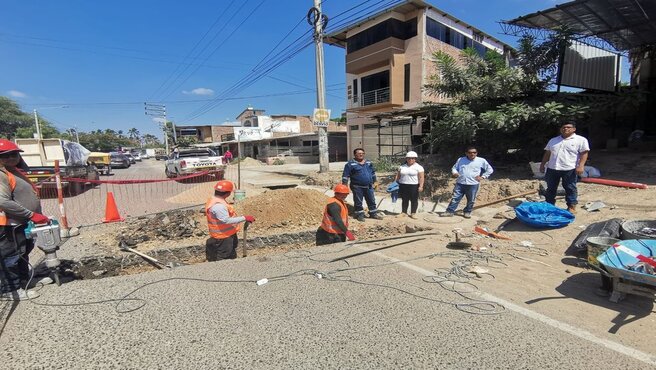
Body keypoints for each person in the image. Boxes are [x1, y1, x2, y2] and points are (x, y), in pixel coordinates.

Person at [0, 139, 52, 300]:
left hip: (20, 223)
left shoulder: (13, 171)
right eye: (5, 156)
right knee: (10, 256)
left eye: (14, 154)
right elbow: (3, 201)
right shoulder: (1, 174)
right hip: (9, 225)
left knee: (23, 252)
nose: (11, 158)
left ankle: (23, 280)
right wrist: (31, 215)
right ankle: (10, 290)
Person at [540, 121, 590, 214]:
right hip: (552, 168)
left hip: (569, 169)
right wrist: (543, 164)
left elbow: (584, 153)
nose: (565, 129)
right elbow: (548, 153)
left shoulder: (580, 140)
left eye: (568, 127)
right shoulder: (553, 140)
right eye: (563, 127)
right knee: (550, 188)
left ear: (574, 129)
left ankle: (571, 206)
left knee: (570, 187)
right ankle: (549, 205)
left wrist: (581, 166)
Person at [205, 180, 255, 261]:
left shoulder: (215, 199)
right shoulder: (218, 206)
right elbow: (226, 220)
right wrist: (244, 218)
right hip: (222, 237)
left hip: (228, 234)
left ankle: (232, 264)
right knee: (223, 256)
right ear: (228, 193)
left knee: (231, 252)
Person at [441, 146, 493, 219]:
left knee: (471, 200)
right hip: (460, 183)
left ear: (476, 153)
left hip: (473, 184)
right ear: (466, 153)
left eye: (474, 152)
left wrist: (483, 177)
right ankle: (449, 211)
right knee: (455, 198)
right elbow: (454, 168)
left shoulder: (481, 160)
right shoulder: (461, 160)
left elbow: (490, 170)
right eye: (470, 152)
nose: (472, 154)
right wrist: (455, 173)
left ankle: (467, 212)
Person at [342, 148, 383, 222]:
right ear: (355, 155)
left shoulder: (368, 163)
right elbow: (345, 176)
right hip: (357, 186)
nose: (361, 154)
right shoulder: (350, 164)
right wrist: (344, 186)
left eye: (362, 153)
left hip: (369, 186)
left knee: (371, 200)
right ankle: (359, 214)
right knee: (358, 201)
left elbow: (373, 173)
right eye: (359, 153)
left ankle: (373, 213)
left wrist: (375, 182)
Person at [394, 151, 425, 219]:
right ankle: (404, 212)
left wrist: (421, 186)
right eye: (409, 158)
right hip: (403, 185)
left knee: (414, 200)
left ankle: (413, 213)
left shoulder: (419, 167)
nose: (410, 160)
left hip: (413, 185)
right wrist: (395, 183)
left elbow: (421, 177)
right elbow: (398, 176)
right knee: (404, 199)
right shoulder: (402, 166)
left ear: (415, 159)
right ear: (406, 159)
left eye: (412, 158)